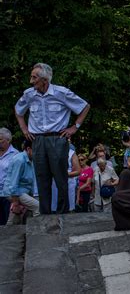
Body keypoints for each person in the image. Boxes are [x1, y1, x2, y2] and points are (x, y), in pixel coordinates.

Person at [15, 62, 90, 214]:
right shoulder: (29, 94)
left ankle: (62, 214)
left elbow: (84, 106)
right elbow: (18, 110)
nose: (31, 81)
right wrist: (24, 129)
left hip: (57, 139)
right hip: (37, 140)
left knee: (60, 178)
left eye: (34, 77)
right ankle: (45, 214)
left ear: (45, 80)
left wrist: (74, 127)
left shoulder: (61, 92)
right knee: (42, 179)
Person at [4, 140, 40, 224]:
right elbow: (13, 183)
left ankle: (9, 231)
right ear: (28, 149)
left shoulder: (30, 159)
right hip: (15, 192)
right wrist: (15, 202)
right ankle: (37, 231)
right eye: (36, 150)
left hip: (22, 191)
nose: (39, 153)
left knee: (16, 215)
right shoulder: (19, 160)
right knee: (38, 206)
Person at [51, 141, 80, 212]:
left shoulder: (71, 153)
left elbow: (78, 171)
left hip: (69, 182)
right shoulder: (51, 152)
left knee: (68, 208)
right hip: (54, 183)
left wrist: (64, 174)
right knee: (55, 207)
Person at [0, 128, 19, 225]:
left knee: (6, 224)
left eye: (0, 140)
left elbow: (17, 177)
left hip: (7, 195)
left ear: (8, 140)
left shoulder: (15, 155)